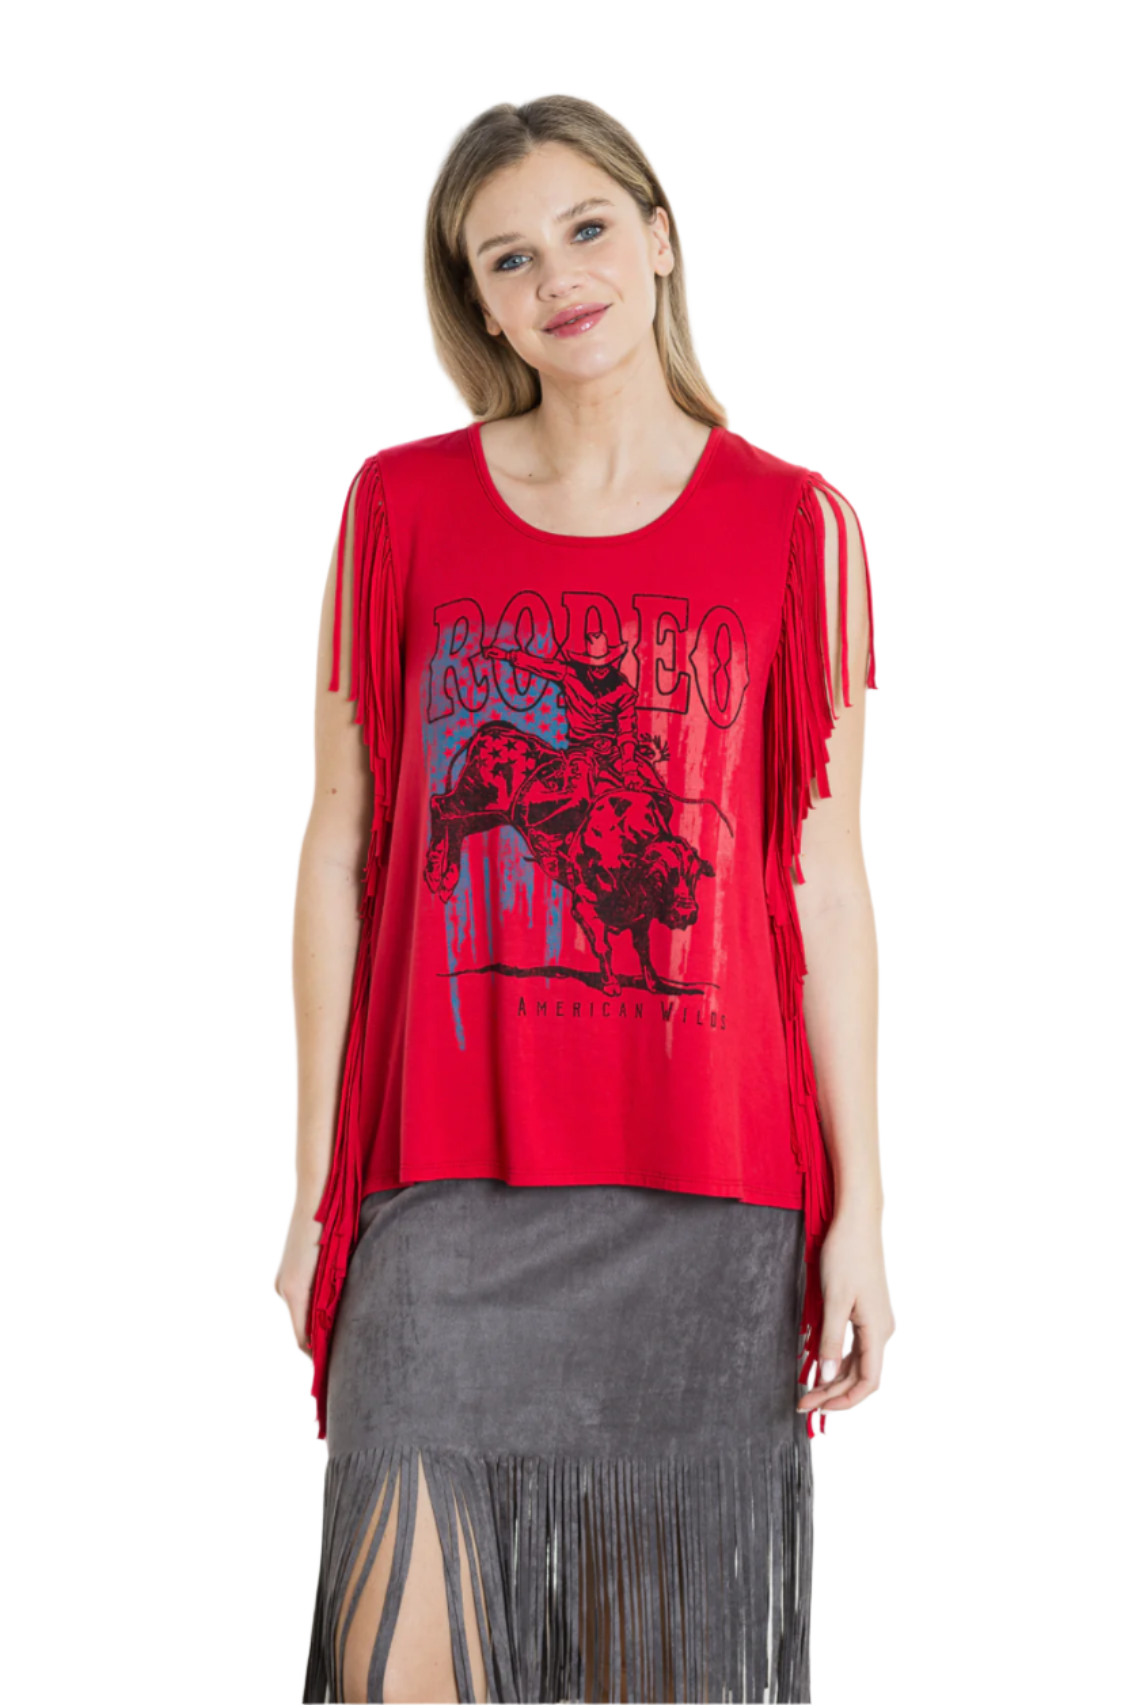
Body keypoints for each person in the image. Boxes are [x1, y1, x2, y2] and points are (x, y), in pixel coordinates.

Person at [276, 93, 894, 1705]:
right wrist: (318, 1185)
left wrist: (863, 1214)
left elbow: (821, 883)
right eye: (509, 257)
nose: (558, 275)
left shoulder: (795, 528)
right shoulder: (399, 510)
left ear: (661, 239)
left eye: (588, 227)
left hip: (709, 1199)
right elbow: (342, 850)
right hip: (441, 1184)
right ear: (478, 305)